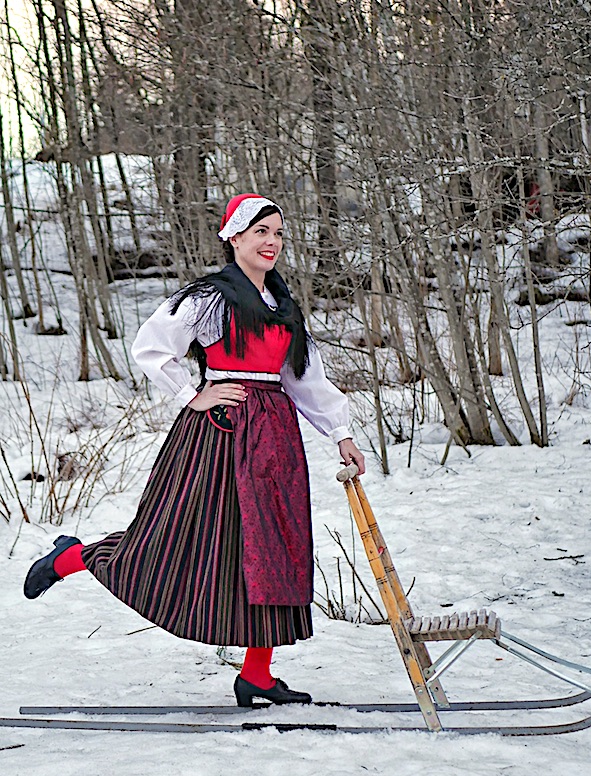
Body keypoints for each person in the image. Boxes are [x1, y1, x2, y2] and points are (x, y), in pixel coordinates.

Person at [24, 193, 365, 706]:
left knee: (271, 548)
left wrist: (341, 432)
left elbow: (303, 379)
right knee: (180, 540)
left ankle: (258, 673)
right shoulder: (211, 298)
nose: (271, 243)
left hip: (275, 440)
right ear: (234, 237)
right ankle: (71, 558)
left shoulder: (284, 306)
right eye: (260, 233)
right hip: (219, 434)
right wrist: (194, 394)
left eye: (277, 234)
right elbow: (151, 347)